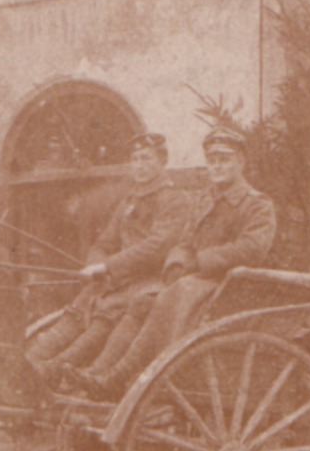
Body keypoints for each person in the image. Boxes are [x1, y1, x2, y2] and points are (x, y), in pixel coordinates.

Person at [73, 124, 277, 399]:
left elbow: (252, 248)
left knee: (167, 298)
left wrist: (199, 261)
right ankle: (101, 372)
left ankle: (117, 376)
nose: (217, 167)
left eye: (224, 160)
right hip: (194, 279)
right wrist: (176, 263)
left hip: (227, 285)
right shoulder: (204, 200)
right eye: (212, 160)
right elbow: (184, 240)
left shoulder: (257, 204)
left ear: (240, 162)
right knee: (142, 300)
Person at [24, 132, 189, 385]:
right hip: (119, 278)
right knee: (78, 309)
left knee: (106, 315)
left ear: (162, 161)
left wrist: (109, 266)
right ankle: (30, 360)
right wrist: (95, 265)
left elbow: (156, 246)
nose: (139, 165)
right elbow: (105, 242)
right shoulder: (129, 201)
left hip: (151, 280)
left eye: (146, 158)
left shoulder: (175, 200)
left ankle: (59, 368)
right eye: (134, 159)